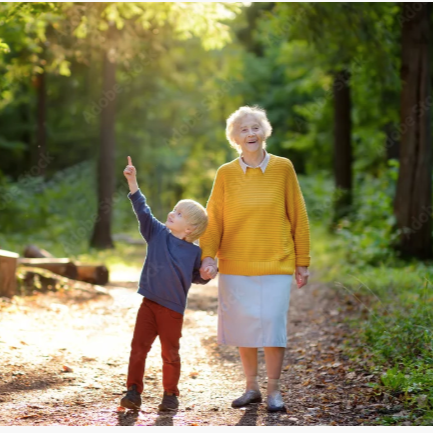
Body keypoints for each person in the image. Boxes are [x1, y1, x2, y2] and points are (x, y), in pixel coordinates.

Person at [199, 106, 310, 412]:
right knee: (244, 327)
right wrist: (208, 256)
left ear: (265, 132)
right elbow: (214, 219)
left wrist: (303, 261)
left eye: (255, 128)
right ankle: (251, 388)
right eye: (243, 130)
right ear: (235, 138)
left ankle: (274, 391)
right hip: (235, 264)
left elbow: (298, 216)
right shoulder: (225, 174)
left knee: (273, 327)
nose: (250, 134)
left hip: (276, 262)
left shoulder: (283, 168)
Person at [121, 156, 218, 412]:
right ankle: (132, 391)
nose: (171, 214)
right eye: (173, 210)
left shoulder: (193, 253)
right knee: (138, 348)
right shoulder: (156, 233)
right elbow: (143, 210)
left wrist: (207, 274)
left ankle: (170, 395)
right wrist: (133, 181)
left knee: (170, 353)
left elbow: (196, 276)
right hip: (149, 304)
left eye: (178, 213)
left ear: (191, 228)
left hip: (172, 311)